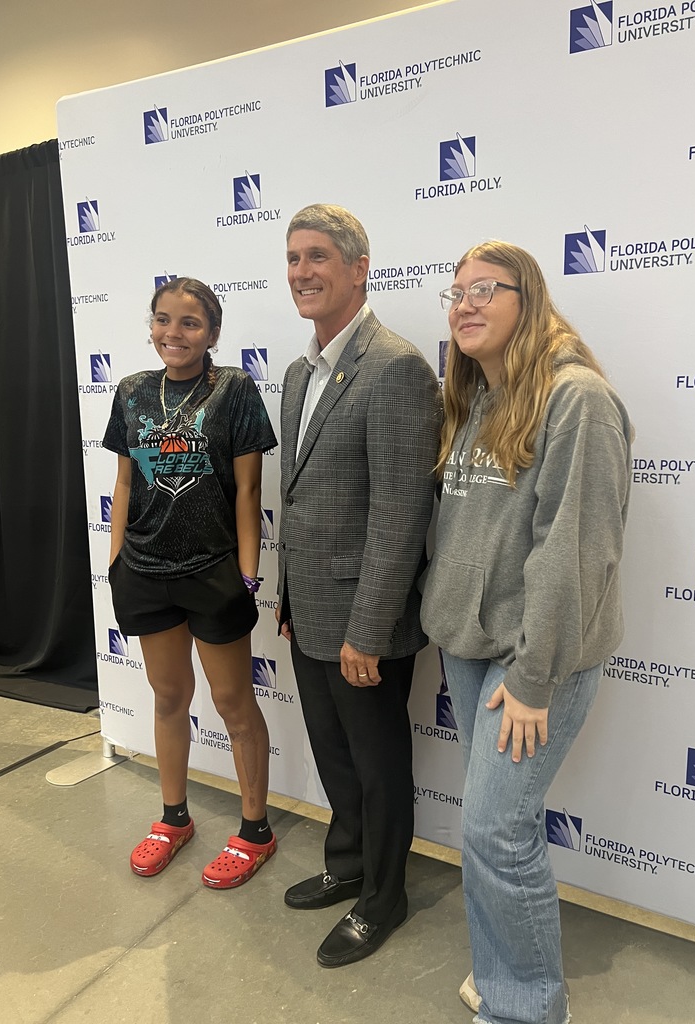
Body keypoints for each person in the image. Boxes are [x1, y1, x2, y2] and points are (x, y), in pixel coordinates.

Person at [420, 241, 632, 1024]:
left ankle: (526, 1007)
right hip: (473, 648)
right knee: (488, 830)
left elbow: (573, 552)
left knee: (497, 832)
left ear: (528, 298)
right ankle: (501, 970)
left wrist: (533, 677)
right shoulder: (480, 396)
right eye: (457, 291)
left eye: (486, 289)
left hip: (534, 660)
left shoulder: (576, 400)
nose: (465, 303)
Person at [277, 204, 441, 968]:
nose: (301, 273)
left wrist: (368, 629)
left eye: (316, 257)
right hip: (307, 610)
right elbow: (303, 495)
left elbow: (401, 514)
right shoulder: (297, 371)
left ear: (358, 268)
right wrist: (283, 597)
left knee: (377, 768)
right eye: (293, 259)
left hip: (362, 623)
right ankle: (347, 863)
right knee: (333, 757)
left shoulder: (397, 366)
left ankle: (384, 897)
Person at [103, 277, 278, 889]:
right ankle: (173, 818)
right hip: (146, 575)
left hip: (213, 573)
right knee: (168, 697)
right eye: (162, 320)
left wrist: (248, 575)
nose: (172, 334)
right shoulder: (130, 393)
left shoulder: (233, 390)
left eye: (189, 323)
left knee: (234, 704)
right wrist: (118, 560)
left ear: (213, 333)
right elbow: (125, 484)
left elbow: (249, 491)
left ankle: (256, 829)